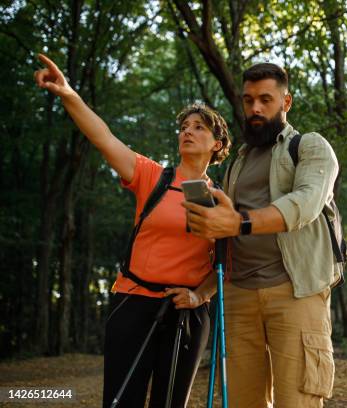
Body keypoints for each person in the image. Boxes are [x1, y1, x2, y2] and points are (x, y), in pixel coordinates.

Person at [33, 53, 231, 407]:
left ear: (217, 144)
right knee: (121, 401)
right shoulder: (152, 176)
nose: (187, 130)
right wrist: (68, 94)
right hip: (133, 301)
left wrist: (200, 296)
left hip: (185, 311)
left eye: (199, 127)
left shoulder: (221, 201)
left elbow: (226, 265)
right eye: (184, 126)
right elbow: (103, 138)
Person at [183, 63, 339, 407]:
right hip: (238, 297)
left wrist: (240, 222)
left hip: (295, 293)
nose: (255, 108)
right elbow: (227, 237)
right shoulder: (238, 162)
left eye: (266, 99)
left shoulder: (310, 147)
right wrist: (203, 292)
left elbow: (305, 204)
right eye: (249, 100)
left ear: (286, 102)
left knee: (298, 401)